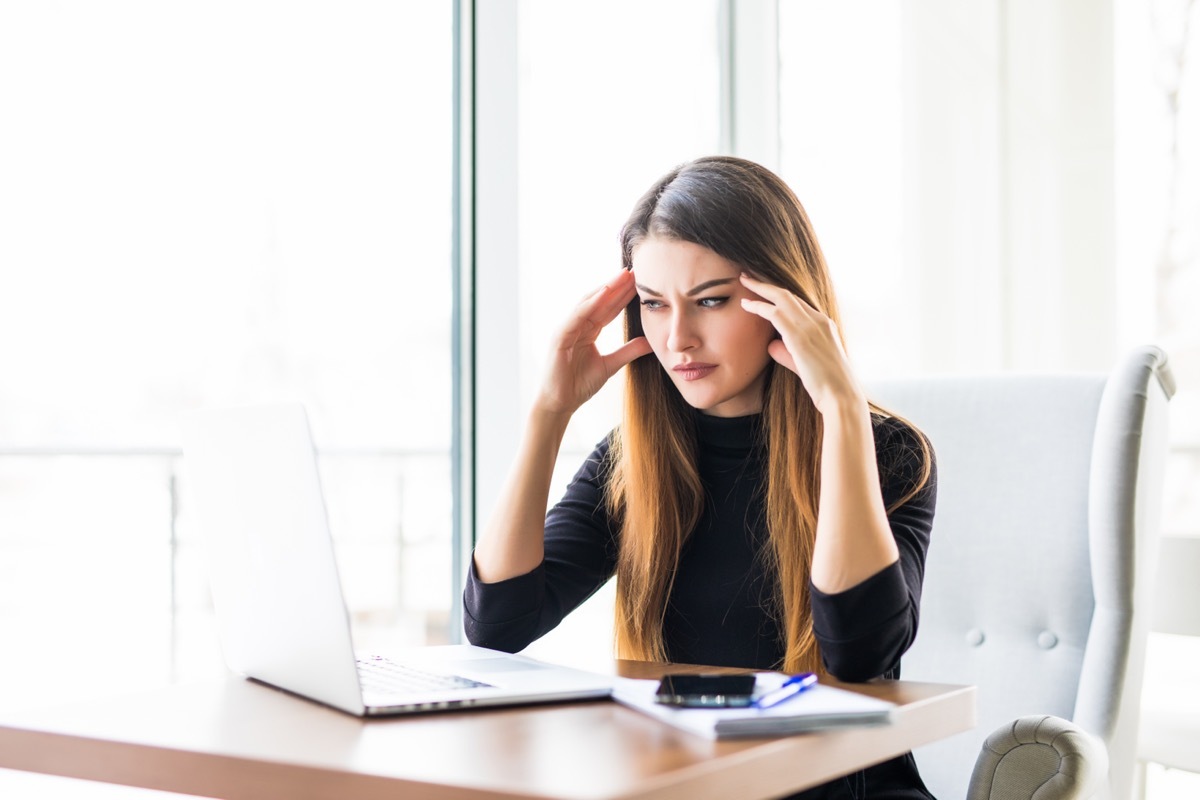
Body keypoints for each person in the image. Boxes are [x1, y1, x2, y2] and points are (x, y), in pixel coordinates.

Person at [463, 156, 937, 800]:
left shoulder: (888, 452)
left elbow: (859, 653)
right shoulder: (634, 461)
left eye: (710, 301)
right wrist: (549, 414)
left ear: (787, 303)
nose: (677, 338)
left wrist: (842, 411)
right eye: (655, 305)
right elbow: (497, 626)